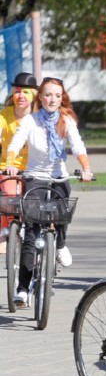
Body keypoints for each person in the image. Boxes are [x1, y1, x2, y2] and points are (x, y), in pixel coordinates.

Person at [6, 76, 93, 306]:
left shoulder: (66, 121)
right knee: (32, 233)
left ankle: (61, 244)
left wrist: (86, 168)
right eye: (47, 94)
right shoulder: (30, 121)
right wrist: (11, 163)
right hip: (34, 178)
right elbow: (15, 143)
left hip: (59, 177)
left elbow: (77, 146)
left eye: (56, 95)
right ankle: (23, 288)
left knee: (62, 216)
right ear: (40, 97)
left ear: (61, 98)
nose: (51, 99)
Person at [0, 72, 38, 252]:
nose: (20, 96)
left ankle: (53, 242)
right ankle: (5, 231)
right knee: (9, 196)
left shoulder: (39, 116)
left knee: (45, 202)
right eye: (16, 92)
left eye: (25, 92)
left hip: (35, 169)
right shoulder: (4, 114)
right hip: (8, 167)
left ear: (34, 95)